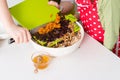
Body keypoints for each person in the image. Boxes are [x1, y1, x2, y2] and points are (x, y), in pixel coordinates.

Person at [0, 0, 74, 44]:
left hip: (30, 32)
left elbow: (70, 3)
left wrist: (58, 8)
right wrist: (10, 26)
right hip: (5, 27)